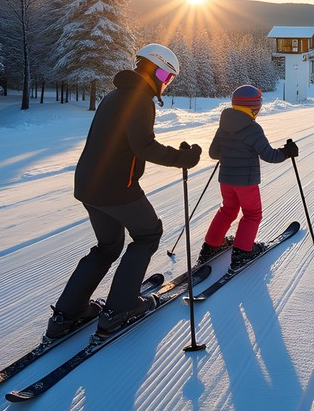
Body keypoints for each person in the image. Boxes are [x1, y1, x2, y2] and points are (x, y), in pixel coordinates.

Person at [46, 43, 202, 339]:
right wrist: (183, 159)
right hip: (115, 187)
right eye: (167, 78)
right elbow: (143, 146)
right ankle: (120, 308)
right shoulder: (139, 99)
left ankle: (67, 314)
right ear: (157, 71)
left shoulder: (115, 95)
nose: (166, 85)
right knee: (148, 234)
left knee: (108, 247)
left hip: (89, 185)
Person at [198, 85, 299, 271]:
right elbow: (270, 155)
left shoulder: (224, 125)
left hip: (226, 180)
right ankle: (242, 252)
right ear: (254, 108)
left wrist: (230, 149)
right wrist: (287, 152)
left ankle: (211, 246)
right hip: (246, 182)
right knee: (252, 214)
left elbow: (213, 153)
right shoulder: (253, 128)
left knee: (227, 210)